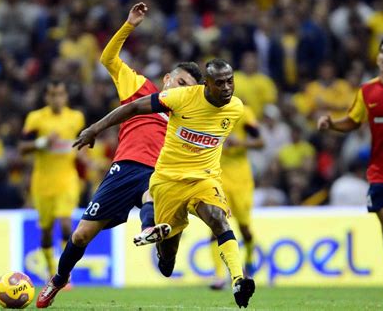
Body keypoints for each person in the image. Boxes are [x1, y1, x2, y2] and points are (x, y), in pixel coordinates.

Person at [35, 2, 203, 308]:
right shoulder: (141, 88)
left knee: (152, 194)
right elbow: (107, 58)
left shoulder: (190, 116)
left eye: (190, 89)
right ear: (167, 79)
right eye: (180, 83)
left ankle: (149, 232)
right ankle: (59, 279)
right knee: (81, 236)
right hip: (123, 169)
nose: (183, 91)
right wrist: (130, 25)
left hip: (159, 173)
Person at [72, 58, 256, 308]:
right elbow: (134, 107)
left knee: (217, 218)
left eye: (230, 82)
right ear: (207, 85)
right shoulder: (181, 98)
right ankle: (161, 242)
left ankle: (238, 280)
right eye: (220, 83)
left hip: (204, 179)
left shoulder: (235, 108)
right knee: (167, 264)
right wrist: (95, 128)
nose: (226, 88)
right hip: (168, 182)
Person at [318, 35, 383, 299]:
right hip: (380, 173)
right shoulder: (368, 91)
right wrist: (332, 124)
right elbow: (353, 121)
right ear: (377, 58)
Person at [19, 79, 85, 280]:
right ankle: (50, 270)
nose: (57, 98)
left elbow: (80, 144)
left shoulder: (76, 118)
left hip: (67, 179)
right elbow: (22, 148)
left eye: (61, 94)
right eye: (53, 94)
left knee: (66, 224)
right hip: (42, 182)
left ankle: (64, 274)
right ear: (47, 97)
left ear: (66, 96)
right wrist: (42, 142)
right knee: (46, 230)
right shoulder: (36, 118)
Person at [209, 105, 264, 290]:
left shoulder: (243, 113)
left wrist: (239, 143)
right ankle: (218, 276)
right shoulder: (208, 113)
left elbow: (261, 142)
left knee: (245, 229)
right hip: (219, 178)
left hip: (241, 180)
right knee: (215, 225)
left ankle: (249, 263)